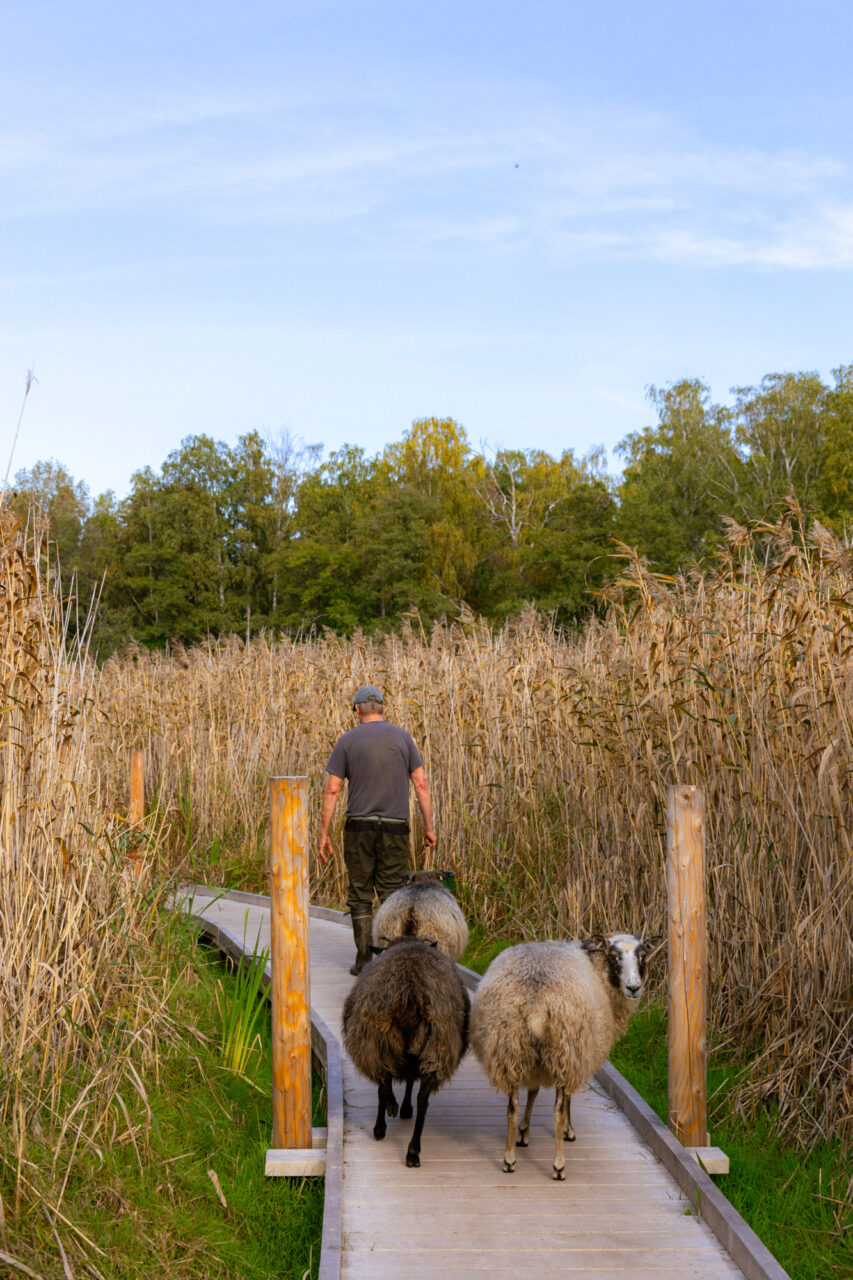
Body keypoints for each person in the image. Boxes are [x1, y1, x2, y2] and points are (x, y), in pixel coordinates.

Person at [317, 684, 437, 974]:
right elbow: (421, 785)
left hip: (358, 827)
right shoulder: (404, 738)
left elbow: (332, 791)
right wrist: (429, 827)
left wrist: (323, 832)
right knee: (392, 893)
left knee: (359, 894)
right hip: (395, 828)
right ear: (383, 708)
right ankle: (392, 962)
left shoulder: (347, 741)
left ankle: (362, 961)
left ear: (357, 709)